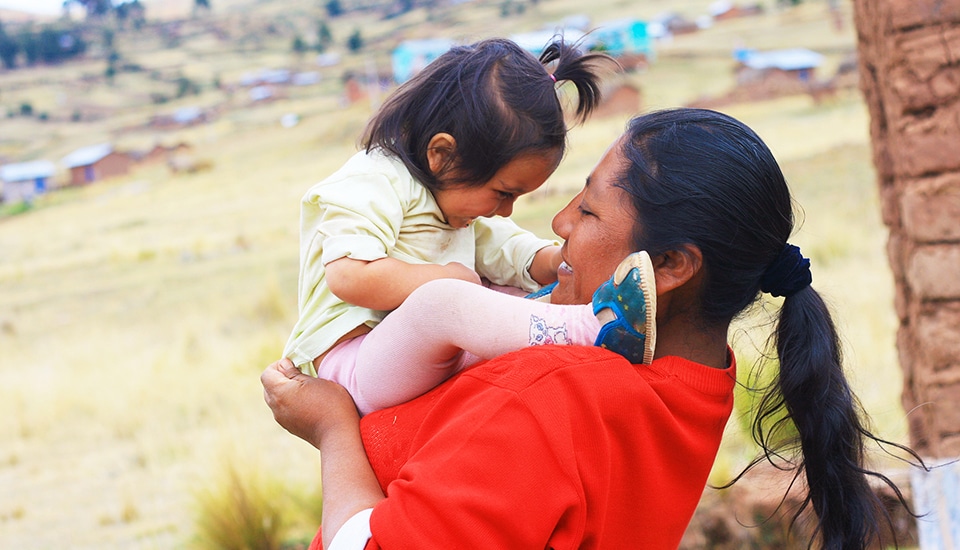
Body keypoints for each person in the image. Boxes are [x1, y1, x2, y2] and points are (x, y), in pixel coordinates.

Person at [263, 108, 916, 549]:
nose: (560, 224)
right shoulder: (698, 376)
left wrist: (333, 432)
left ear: (668, 266)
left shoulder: (550, 392)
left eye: (591, 209)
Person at [282, 37, 622, 415]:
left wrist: (557, 261)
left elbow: (503, 249)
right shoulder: (373, 180)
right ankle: (591, 329)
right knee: (448, 300)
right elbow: (349, 276)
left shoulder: (452, 203)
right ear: (442, 155)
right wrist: (447, 279)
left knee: (507, 290)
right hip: (355, 363)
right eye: (503, 193)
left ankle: (586, 309)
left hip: (415, 354)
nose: (506, 210)